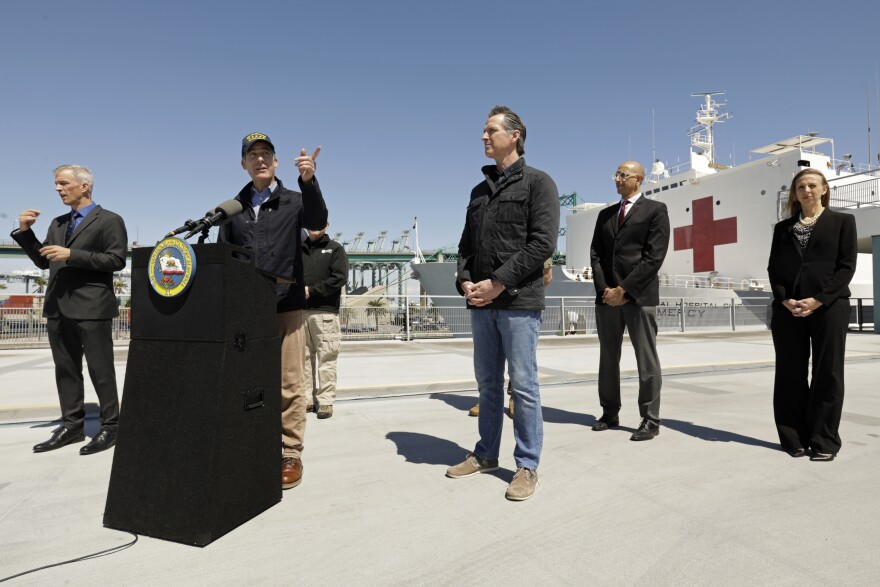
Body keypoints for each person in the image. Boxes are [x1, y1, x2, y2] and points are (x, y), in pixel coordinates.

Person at [446, 106, 559, 501]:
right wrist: (464, 281)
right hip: (481, 304)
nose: (483, 136)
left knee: (523, 386)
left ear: (514, 135)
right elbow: (465, 246)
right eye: (483, 130)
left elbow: (542, 244)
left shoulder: (539, 184)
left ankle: (527, 465)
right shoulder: (479, 192)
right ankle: (486, 454)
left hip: (517, 302)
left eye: (490, 130)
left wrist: (497, 283)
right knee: (487, 385)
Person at [218, 132, 327, 489]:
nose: (260, 160)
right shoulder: (232, 208)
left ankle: (290, 452)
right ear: (243, 164)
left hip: (286, 307)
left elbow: (317, 219)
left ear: (276, 162)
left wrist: (309, 182)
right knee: (247, 381)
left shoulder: (294, 200)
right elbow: (225, 258)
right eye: (253, 155)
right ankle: (253, 443)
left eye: (266, 154)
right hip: (246, 311)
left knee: (289, 383)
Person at [11, 165, 127, 455]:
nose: (58, 189)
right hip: (58, 307)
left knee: (100, 370)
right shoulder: (58, 223)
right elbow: (44, 262)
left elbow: (116, 260)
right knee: (66, 370)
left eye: (63, 183)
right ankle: (71, 426)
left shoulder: (110, 220)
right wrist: (26, 232)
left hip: (92, 307)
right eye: (56, 184)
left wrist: (72, 255)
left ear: (84, 186)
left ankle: (111, 426)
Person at [767, 168, 857, 461]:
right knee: (789, 373)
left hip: (829, 308)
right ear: (795, 193)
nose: (807, 190)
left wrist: (818, 300)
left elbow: (846, 267)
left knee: (827, 373)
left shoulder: (843, 222)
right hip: (788, 310)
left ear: (824, 189)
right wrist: (785, 300)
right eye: (801, 186)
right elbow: (774, 269)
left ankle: (824, 441)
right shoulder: (783, 228)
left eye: (812, 185)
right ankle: (793, 437)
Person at [589, 161, 670, 441]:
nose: (618, 179)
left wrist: (623, 289)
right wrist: (605, 290)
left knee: (646, 359)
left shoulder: (656, 210)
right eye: (616, 174)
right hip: (607, 298)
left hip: (639, 297)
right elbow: (596, 255)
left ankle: (650, 419)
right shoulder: (606, 215)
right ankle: (609, 412)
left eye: (623, 175)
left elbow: (654, 257)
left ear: (639, 179)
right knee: (608, 358)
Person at [467, 258, 553, 418]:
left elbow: (547, 276)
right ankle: (486, 400)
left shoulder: (535, 238)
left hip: (519, 305)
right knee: (488, 369)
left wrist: (518, 289)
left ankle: (515, 398)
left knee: (520, 367)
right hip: (489, 305)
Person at [302, 223, 349, 419]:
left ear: (327, 224)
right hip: (300, 312)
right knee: (302, 359)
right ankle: (306, 400)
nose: (315, 226)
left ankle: (326, 401)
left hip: (325, 313)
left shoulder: (335, 248)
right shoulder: (298, 249)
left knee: (326, 358)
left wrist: (311, 290)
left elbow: (339, 278)